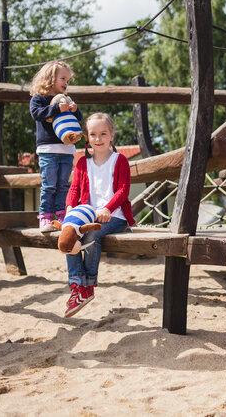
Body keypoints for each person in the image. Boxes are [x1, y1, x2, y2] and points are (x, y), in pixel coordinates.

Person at [62, 112, 135, 317]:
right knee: (70, 234)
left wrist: (107, 209)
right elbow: (74, 190)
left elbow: (123, 190)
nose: (98, 139)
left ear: (112, 135)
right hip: (88, 215)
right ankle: (77, 287)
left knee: (92, 235)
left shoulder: (119, 161)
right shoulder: (83, 164)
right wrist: (69, 207)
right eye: (93, 134)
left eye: (103, 134)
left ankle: (89, 285)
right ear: (87, 138)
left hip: (116, 216)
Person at [29, 60, 83, 232]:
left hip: (67, 150)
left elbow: (79, 118)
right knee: (49, 185)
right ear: (50, 79)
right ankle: (45, 217)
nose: (66, 83)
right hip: (48, 150)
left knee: (63, 185)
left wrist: (75, 110)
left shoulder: (68, 100)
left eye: (67, 80)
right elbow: (37, 114)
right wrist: (56, 109)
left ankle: (61, 214)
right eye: (63, 79)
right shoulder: (40, 99)